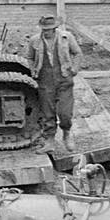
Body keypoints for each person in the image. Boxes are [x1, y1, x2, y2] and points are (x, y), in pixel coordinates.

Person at [26, 14, 83, 150]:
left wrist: (74, 69)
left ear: (55, 28)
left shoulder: (66, 37)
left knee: (65, 113)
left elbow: (77, 53)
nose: (45, 32)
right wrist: (33, 70)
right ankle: (49, 140)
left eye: (48, 29)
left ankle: (67, 134)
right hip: (45, 80)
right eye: (43, 29)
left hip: (64, 79)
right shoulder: (34, 40)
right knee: (47, 113)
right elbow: (29, 57)